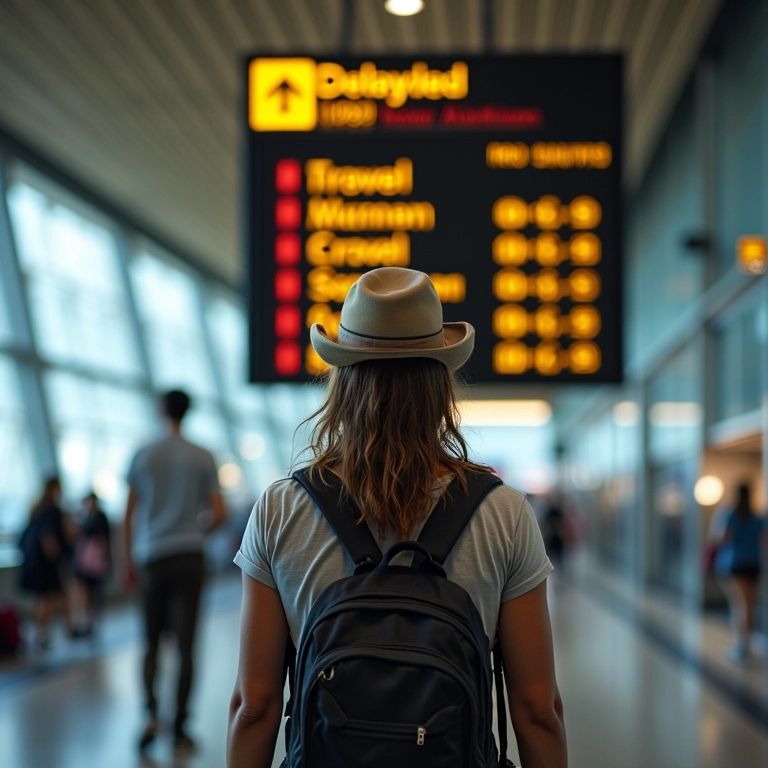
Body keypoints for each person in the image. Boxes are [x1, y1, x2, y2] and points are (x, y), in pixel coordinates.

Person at [228, 268, 567, 768]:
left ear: (342, 381)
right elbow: (538, 710)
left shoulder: (280, 509)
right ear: (441, 384)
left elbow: (254, 707)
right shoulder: (504, 512)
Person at [123, 389, 228, 753]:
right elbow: (219, 513)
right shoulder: (203, 456)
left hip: (151, 556)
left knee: (150, 643)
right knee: (186, 645)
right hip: (189, 556)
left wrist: (127, 561)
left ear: (160, 410)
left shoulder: (143, 453)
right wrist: (195, 531)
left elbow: (130, 512)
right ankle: (180, 727)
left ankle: (150, 715)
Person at [714, 483, 767, 664]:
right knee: (748, 606)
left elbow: (720, 539)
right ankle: (746, 645)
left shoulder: (729, 515)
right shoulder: (758, 517)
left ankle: (741, 648)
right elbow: (764, 542)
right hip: (754, 564)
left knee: (739, 606)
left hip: (734, 564)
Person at [17, 476, 73, 650]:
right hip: (46, 564)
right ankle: (41, 635)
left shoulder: (38, 509)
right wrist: (58, 558)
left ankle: (66, 628)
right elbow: (48, 538)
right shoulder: (51, 510)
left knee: (54, 596)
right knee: (47, 598)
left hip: (34, 562)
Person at [70, 492, 112, 638]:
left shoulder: (100, 517)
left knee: (95, 592)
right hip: (86, 560)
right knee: (85, 592)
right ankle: (87, 620)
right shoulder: (86, 517)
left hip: (96, 560)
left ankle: (92, 621)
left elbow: (105, 539)